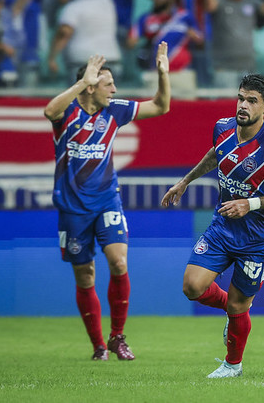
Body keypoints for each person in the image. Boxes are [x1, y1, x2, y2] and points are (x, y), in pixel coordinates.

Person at [161, 73, 264, 378]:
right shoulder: (222, 128)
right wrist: (186, 180)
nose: (243, 105)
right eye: (240, 98)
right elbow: (215, 154)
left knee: (239, 305)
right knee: (192, 286)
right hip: (223, 228)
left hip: (258, 237)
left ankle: (232, 365)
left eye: (252, 101)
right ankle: (234, 311)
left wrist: (250, 203)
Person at [43, 45, 171, 361]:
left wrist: (163, 74)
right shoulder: (67, 113)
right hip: (73, 208)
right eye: (107, 84)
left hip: (106, 201)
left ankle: (117, 338)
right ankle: (98, 346)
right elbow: (49, 111)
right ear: (90, 87)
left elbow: (161, 106)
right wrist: (79, 84)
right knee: (85, 275)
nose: (114, 89)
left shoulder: (114, 110)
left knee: (119, 262)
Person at [129, 0, 203, 91]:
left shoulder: (184, 16)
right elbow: (130, 43)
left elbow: (200, 42)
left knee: (187, 108)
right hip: (155, 74)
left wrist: (193, 36)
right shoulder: (146, 18)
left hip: (182, 74)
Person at [49, 0, 121, 81]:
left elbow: (64, 32)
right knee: (111, 97)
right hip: (111, 59)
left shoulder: (73, 8)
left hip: (82, 62)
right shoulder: (107, 1)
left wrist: (52, 57)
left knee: (80, 98)